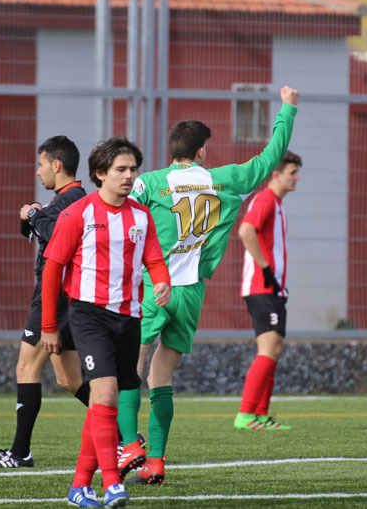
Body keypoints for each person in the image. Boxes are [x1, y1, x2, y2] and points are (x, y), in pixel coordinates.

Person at [117, 85, 299, 485]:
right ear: (202, 151)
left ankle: (129, 445)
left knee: (130, 369)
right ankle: (156, 463)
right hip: (192, 292)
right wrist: (287, 109)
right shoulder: (223, 180)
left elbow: (118, 204)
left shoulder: (149, 183)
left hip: (155, 286)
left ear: (172, 150)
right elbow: (270, 158)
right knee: (161, 378)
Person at [40, 137, 171, 508]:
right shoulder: (77, 214)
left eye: (133, 169)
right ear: (100, 173)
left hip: (129, 318)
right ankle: (113, 484)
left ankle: (79, 487)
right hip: (89, 316)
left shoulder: (141, 216)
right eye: (120, 169)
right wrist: (49, 326)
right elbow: (52, 269)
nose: (129, 176)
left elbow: (154, 259)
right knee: (107, 393)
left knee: (103, 401)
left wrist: (162, 281)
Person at [0, 135, 88, 469]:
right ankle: (126, 435)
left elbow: (56, 235)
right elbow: (36, 232)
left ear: (57, 164)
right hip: (63, 296)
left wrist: (34, 214)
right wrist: (32, 217)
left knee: (26, 368)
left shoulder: (73, 198)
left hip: (54, 297)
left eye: (41, 165)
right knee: (69, 380)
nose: (38, 172)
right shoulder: (64, 199)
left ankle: (20, 452)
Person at [234, 150, 302, 431]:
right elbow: (245, 231)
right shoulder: (264, 199)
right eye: (292, 173)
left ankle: (260, 415)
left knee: (274, 350)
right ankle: (245, 414)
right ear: (276, 175)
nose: (297, 178)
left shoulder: (277, 203)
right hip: (261, 287)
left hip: (273, 290)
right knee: (268, 349)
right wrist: (264, 268)